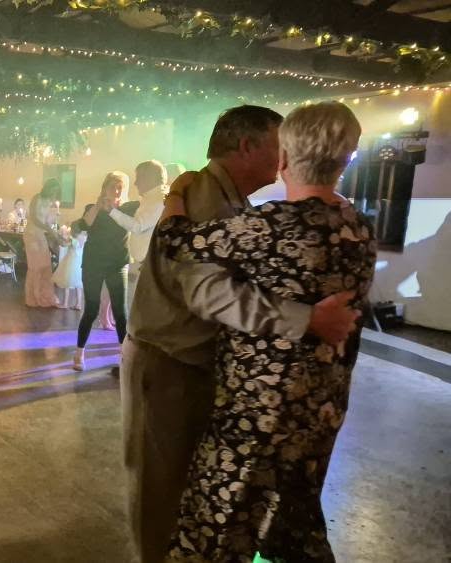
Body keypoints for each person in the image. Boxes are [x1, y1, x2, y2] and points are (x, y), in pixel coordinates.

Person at [120, 105, 363, 563]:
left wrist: (173, 198)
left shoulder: (246, 209)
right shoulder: (212, 199)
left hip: (219, 376)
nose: (282, 153)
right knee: (163, 492)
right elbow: (206, 294)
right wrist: (305, 319)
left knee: (204, 500)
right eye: (277, 142)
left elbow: (184, 244)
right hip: (171, 364)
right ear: (248, 146)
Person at [72, 172, 136, 371]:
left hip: (117, 264)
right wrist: (99, 206)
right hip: (93, 263)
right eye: (112, 187)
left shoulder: (129, 208)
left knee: (120, 312)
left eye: (120, 187)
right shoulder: (91, 208)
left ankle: (124, 357)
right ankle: (79, 353)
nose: (116, 191)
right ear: (104, 188)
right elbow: (83, 225)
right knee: (91, 309)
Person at [107, 160, 168, 319]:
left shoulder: (158, 199)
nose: (135, 183)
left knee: (145, 313)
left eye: (139, 178)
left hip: (151, 266)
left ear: (150, 178)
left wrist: (111, 211)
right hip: (145, 265)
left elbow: (138, 226)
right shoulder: (151, 198)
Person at [23, 179, 62, 308]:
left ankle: (44, 295)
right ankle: (32, 297)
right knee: (35, 266)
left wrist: (55, 233)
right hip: (31, 234)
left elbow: (46, 222)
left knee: (45, 264)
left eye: (56, 191)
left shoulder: (49, 202)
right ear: (47, 188)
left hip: (40, 234)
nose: (54, 192)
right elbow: (34, 218)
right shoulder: (37, 198)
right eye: (52, 189)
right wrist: (49, 230)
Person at [52, 215, 87, 310]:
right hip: (80, 263)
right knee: (78, 285)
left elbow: (64, 244)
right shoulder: (85, 237)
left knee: (67, 283)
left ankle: (65, 303)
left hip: (71, 262)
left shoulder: (73, 239)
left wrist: (60, 237)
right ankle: (79, 304)